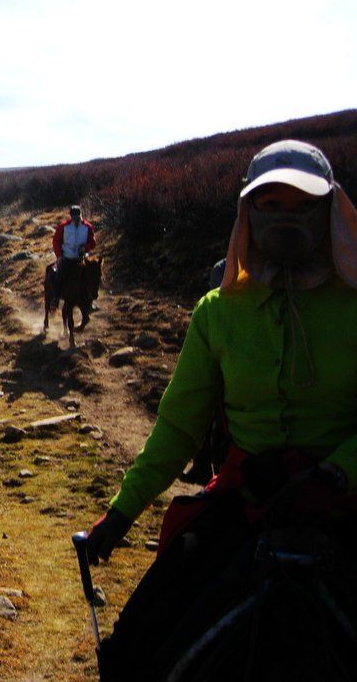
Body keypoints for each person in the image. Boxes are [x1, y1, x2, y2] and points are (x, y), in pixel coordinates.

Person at [83, 140, 357, 679]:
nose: (284, 217)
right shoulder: (218, 311)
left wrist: (336, 470)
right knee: (132, 650)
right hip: (247, 507)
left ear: (329, 209)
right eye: (270, 204)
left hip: (347, 506)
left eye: (301, 205)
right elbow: (180, 426)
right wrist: (120, 513)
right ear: (247, 212)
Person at [50, 205, 96, 308]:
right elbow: (56, 242)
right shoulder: (63, 226)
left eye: (78, 216)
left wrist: (85, 248)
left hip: (81, 258)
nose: (76, 218)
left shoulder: (88, 227)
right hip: (67, 257)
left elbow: (92, 243)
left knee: (92, 276)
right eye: (74, 216)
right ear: (71, 216)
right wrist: (59, 256)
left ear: (81, 215)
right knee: (59, 275)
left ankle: (91, 301)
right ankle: (56, 298)